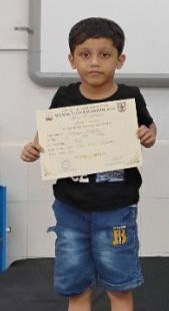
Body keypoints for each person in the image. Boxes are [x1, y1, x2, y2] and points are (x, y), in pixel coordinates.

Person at [20, 17, 157, 311]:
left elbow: (149, 127)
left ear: (120, 60)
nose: (94, 62)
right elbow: (47, 134)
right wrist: (33, 148)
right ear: (72, 60)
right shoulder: (64, 96)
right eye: (85, 54)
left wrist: (148, 135)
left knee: (120, 287)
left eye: (104, 54)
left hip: (117, 209)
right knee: (76, 287)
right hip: (70, 209)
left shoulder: (130, 96)